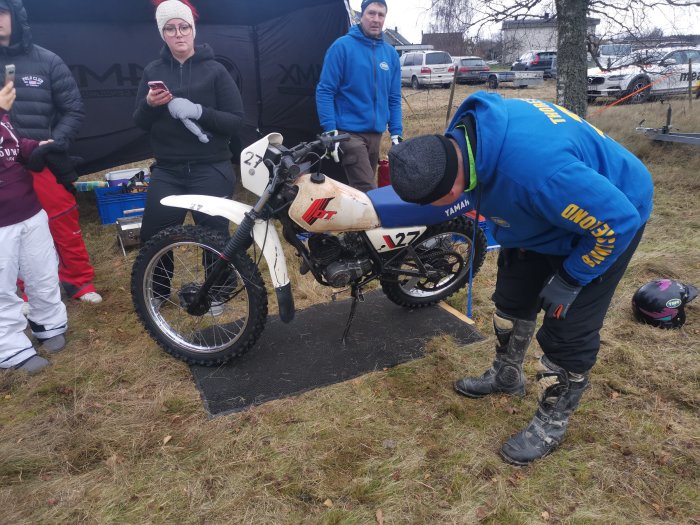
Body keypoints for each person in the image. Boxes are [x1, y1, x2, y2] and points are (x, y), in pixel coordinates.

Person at [388, 92, 653, 465]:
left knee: (567, 326)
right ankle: (506, 374)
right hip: (546, 214)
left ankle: (552, 422)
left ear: (450, 192)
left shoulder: (539, 174)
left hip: (611, 216)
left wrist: (573, 277)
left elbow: (616, 223)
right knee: (511, 301)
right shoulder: (461, 139)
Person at [134, 0, 243, 307]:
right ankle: (156, 294)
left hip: (211, 167)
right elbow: (138, 121)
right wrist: (149, 105)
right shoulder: (153, 71)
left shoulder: (216, 71)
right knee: (154, 236)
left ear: (193, 30)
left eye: (183, 27)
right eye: (170, 29)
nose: (178, 34)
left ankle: (218, 293)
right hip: (168, 170)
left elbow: (235, 121)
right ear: (162, 34)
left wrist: (198, 111)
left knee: (214, 236)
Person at [0, 0, 102, 304]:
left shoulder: (47, 60)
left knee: (63, 220)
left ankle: (79, 281)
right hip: (5, 165)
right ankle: (27, 292)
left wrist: (54, 144)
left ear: (16, 16)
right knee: (13, 232)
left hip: (42, 160)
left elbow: (73, 109)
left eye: (1, 13)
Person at [0, 81, 68, 374]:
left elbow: (11, 146)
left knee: (42, 269)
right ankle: (9, 347)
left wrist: (35, 148)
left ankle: (48, 322)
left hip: (28, 207)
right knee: (2, 287)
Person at [315, 0, 402, 193]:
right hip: (349, 134)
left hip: (376, 134)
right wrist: (330, 131)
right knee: (367, 190)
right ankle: (375, 222)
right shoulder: (342, 47)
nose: (376, 19)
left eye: (381, 15)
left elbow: (394, 98)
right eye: (371, 13)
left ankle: (351, 221)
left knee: (360, 190)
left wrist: (396, 132)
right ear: (360, 16)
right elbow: (325, 90)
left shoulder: (390, 54)